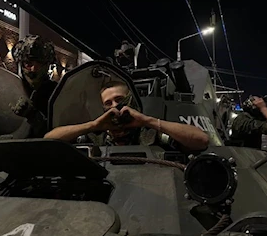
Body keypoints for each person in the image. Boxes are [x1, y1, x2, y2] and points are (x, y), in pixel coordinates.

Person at [44, 81, 209, 151]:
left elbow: (201, 140)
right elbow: (49, 139)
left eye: (119, 100)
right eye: (108, 103)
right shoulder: (98, 136)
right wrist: (93, 126)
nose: (114, 106)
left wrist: (148, 121)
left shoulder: (148, 133)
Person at [11, 34, 58, 137]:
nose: (33, 69)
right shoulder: (11, 87)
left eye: (39, 64)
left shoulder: (58, 92)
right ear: (22, 64)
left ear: (47, 65)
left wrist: (34, 116)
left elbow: (61, 131)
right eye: (28, 63)